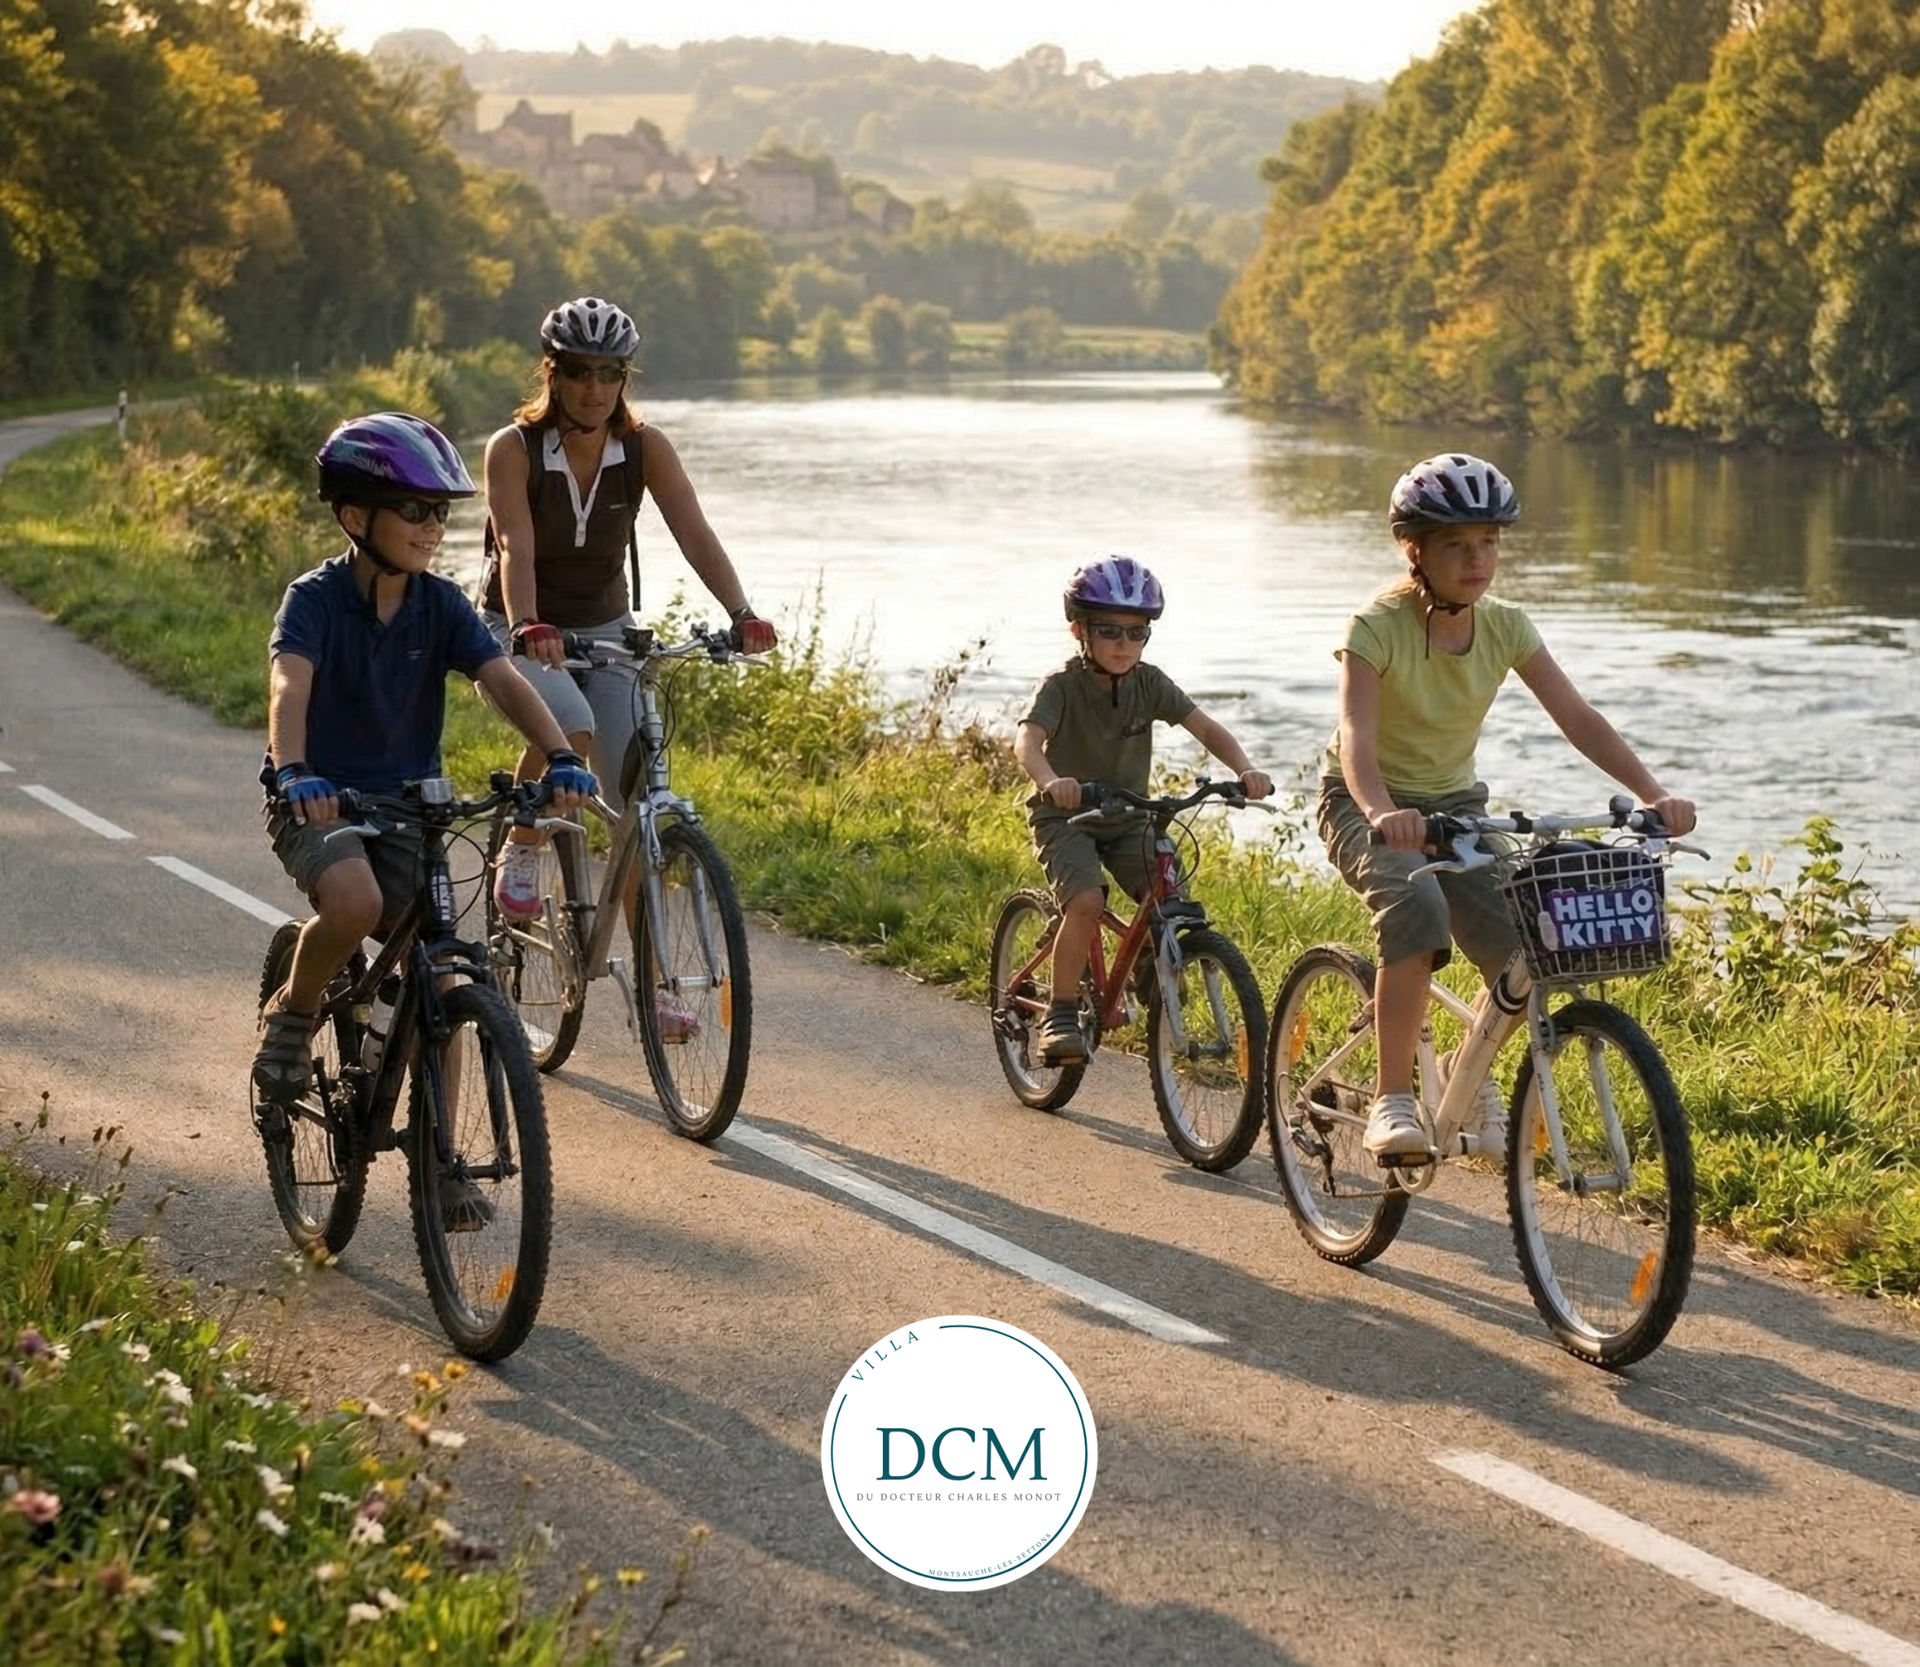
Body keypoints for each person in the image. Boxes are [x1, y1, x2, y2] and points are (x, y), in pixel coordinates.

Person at [1322, 451, 1697, 1161]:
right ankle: (1392, 1098)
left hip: (1456, 804)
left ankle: (1465, 1073)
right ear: (1416, 551)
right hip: (1365, 800)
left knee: (1530, 945)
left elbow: (1578, 717)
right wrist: (1379, 812)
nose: (1478, 559)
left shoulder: (1506, 626)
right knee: (1418, 913)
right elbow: (1356, 740)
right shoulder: (1374, 628)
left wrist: (1653, 794)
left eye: (1489, 542)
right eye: (1457, 545)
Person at [252, 412, 597, 1107]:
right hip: (319, 800)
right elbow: (289, 686)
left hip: (412, 806)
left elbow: (502, 678)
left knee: (442, 976)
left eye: (439, 512)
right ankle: (293, 1010)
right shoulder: (313, 601)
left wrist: (559, 752)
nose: (432, 526)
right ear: (354, 515)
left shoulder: (439, 605)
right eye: (413, 510)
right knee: (356, 903)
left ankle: (444, 1172)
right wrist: (294, 771)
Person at [477, 295, 777, 921]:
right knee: (571, 725)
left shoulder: (645, 448)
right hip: (515, 630)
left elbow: (694, 532)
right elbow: (514, 546)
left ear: (624, 378)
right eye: (579, 371)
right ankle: (525, 839)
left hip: (608, 629)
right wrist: (530, 622)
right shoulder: (514, 448)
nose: (594, 387)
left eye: (609, 372)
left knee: (635, 803)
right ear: (551, 373)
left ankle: (655, 979)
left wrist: (741, 611)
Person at [1013, 557, 1274, 1065]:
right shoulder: (1061, 686)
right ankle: (1061, 1012)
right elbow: (1028, 742)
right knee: (1086, 902)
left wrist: (1245, 770)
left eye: (1137, 633)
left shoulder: (1149, 683)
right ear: (1079, 629)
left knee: (1169, 889)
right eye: (1108, 630)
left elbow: (1206, 728)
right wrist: (1051, 782)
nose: (1123, 644)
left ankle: (1149, 968)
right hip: (1066, 817)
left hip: (1128, 815)